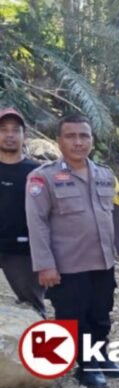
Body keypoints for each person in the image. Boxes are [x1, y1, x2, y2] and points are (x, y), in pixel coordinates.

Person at [26, 114, 119, 388]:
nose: (78, 142)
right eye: (71, 136)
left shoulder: (105, 175)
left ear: (92, 140)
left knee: (101, 313)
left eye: (84, 136)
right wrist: (45, 265)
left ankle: (101, 357)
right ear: (60, 141)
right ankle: (86, 368)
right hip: (67, 266)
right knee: (73, 317)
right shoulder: (43, 177)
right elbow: (36, 222)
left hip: (102, 262)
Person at [0, 107, 46, 318]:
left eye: (15, 130)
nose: (9, 135)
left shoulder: (37, 172)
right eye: (3, 129)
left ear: (24, 136)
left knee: (33, 307)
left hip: (22, 251)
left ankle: (43, 350)